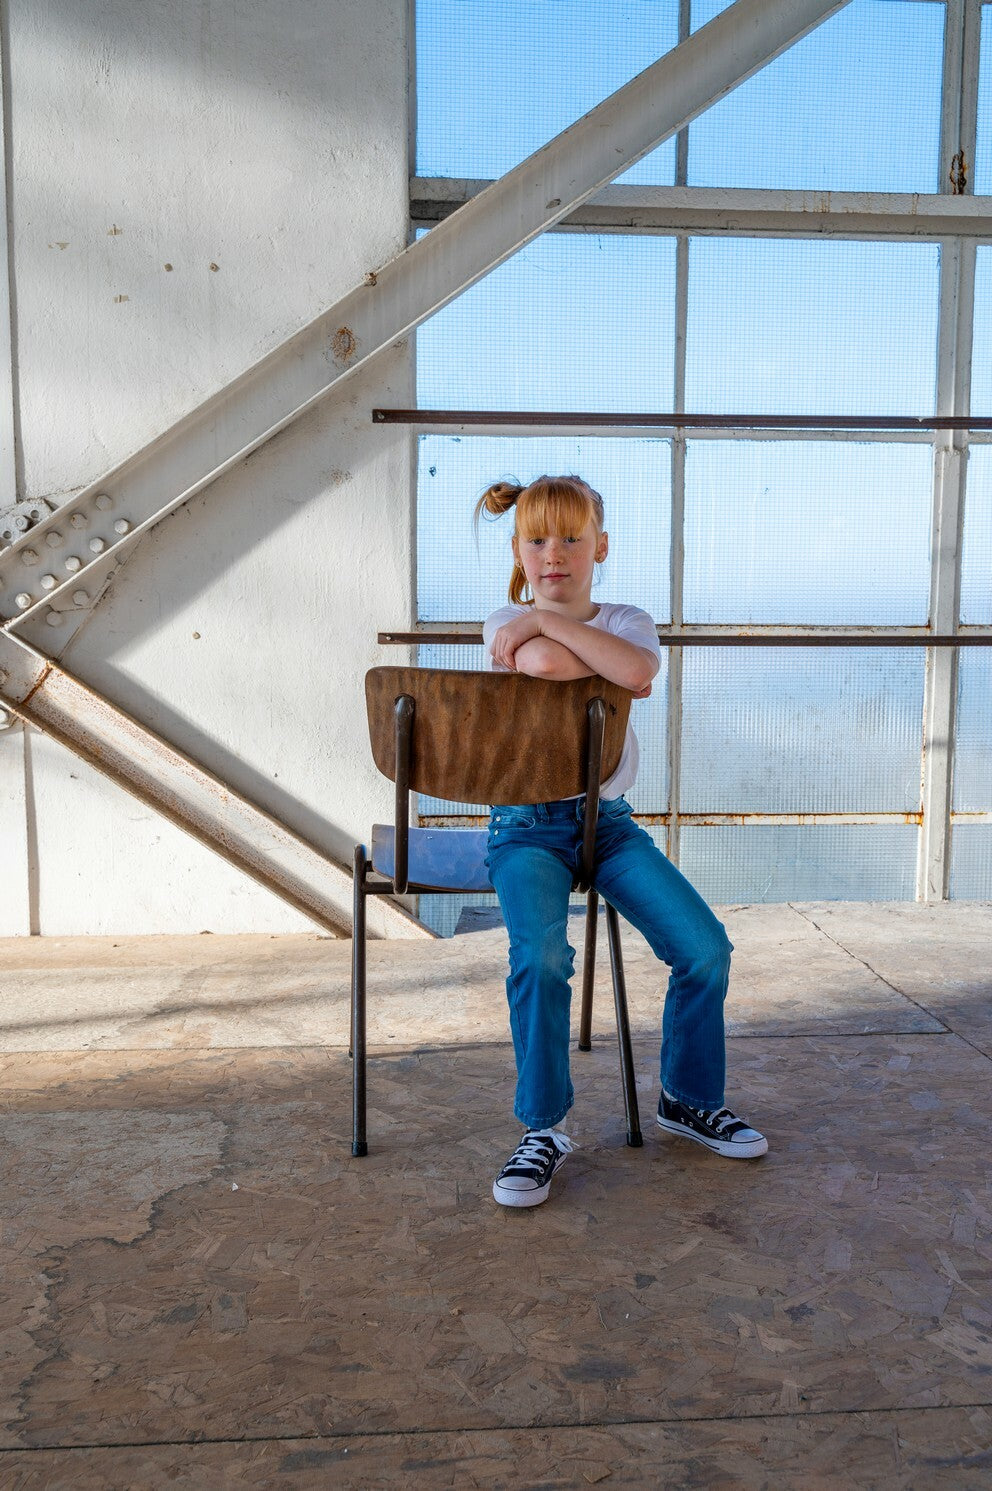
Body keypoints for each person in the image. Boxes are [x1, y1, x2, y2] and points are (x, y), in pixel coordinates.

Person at [478, 474, 767, 1208]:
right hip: (525, 827)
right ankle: (542, 1128)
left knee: (704, 948)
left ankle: (687, 1099)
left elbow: (636, 669)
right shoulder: (503, 622)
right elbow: (545, 667)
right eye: (537, 540)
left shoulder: (627, 619)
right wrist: (575, 646)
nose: (554, 554)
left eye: (572, 538)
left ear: (600, 547)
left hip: (606, 823)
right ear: (518, 551)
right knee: (541, 958)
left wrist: (552, 627)